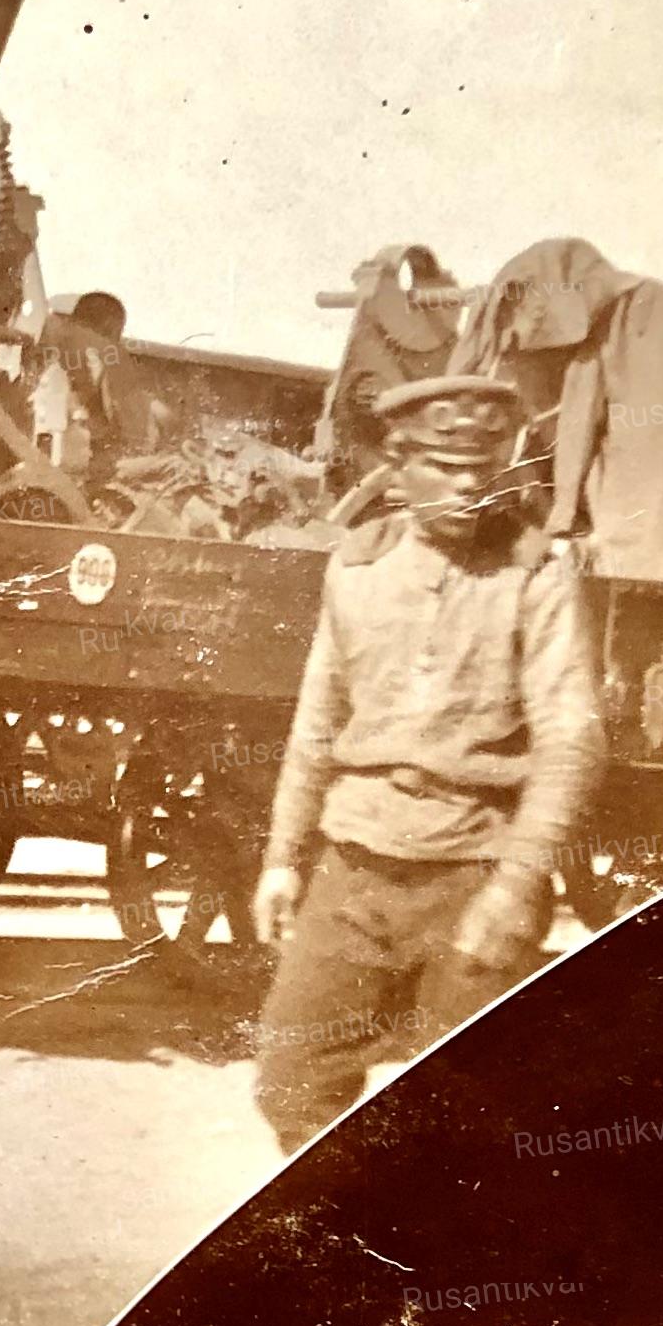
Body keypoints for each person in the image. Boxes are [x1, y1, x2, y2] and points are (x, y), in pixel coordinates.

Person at [247, 373, 605, 1153]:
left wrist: (515, 887)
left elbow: (571, 741)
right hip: (355, 872)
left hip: (473, 874)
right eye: (445, 467)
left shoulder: (536, 572)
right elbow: (316, 724)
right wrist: (281, 860)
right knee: (291, 1079)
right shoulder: (357, 569)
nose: (469, 487)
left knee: (473, 1117)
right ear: (399, 466)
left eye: (484, 468)